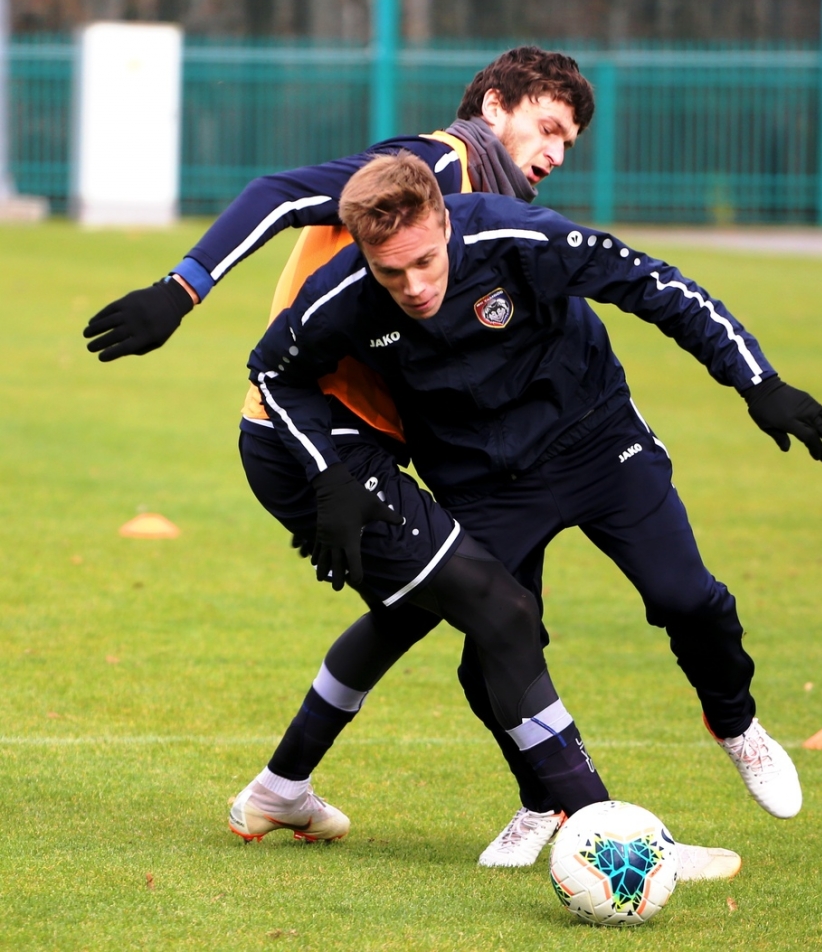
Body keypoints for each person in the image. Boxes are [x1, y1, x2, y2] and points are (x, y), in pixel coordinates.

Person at [83, 47, 746, 877]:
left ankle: (284, 785)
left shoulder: (494, 208)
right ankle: (615, 836)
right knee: (499, 611)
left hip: (354, 443)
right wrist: (182, 287)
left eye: (568, 142)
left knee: (421, 608)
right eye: (546, 126)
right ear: (495, 103)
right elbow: (281, 195)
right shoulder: (438, 165)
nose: (554, 152)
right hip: (315, 438)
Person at [248, 154, 822, 863]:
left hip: (596, 442)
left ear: (445, 221)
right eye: (391, 273)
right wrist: (330, 478)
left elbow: (655, 285)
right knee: (495, 647)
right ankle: (552, 803)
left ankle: (736, 724)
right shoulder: (341, 293)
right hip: (480, 480)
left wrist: (756, 381)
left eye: (425, 262)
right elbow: (271, 370)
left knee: (687, 597)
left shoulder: (522, 239)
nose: (413, 286)